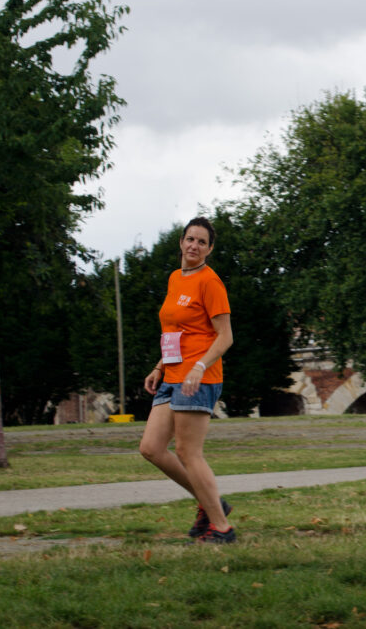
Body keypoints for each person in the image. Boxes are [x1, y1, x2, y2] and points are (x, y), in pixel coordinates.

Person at [139, 217, 236, 544]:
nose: (194, 246)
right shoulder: (175, 278)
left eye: (202, 242)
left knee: (187, 452)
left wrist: (199, 366)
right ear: (181, 242)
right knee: (151, 448)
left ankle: (222, 527)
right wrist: (159, 367)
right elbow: (174, 331)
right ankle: (211, 502)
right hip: (172, 374)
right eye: (190, 239)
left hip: (199, 377)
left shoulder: (210, 283)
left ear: (209, 249)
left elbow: (225, 338)